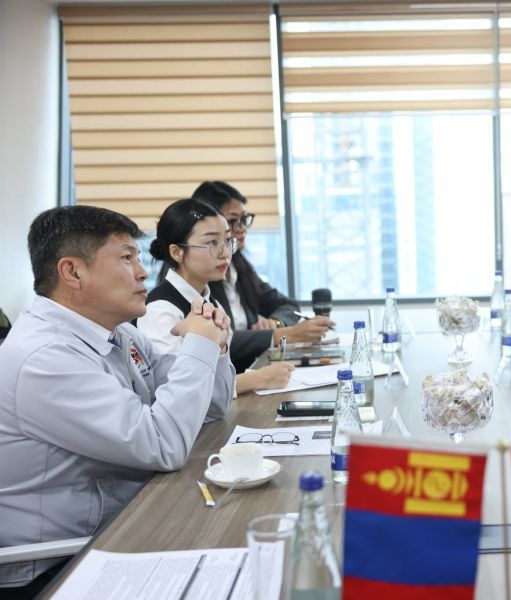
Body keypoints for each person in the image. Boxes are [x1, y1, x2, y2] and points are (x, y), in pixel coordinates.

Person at [0, 206, 235, 595]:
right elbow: (162, 445)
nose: (143, 272)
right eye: (127, 258)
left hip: (125, 523)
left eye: (138, 257)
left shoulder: (119, 332)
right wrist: (198, 343)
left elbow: (210, 408)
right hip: (55, 564)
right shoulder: (43, 358)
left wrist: (215, 343)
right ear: (72, 272)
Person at [137, 198, 295, 394]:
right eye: (212, 242)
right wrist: (257, 378)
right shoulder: (160, 309)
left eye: (227, 240)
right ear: (177, 252)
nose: (225, 253)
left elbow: (221, 376)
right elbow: (177, 389)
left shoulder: (212, 303)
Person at [192, 181, 334, 373]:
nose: (242, 228)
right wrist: (280, 334)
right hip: (229, 379)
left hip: (253, 372)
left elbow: (288, 305)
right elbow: (219, 339)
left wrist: (275, 323)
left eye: (245, 219)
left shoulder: (238, 267)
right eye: (233, 221)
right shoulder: (198, 277)